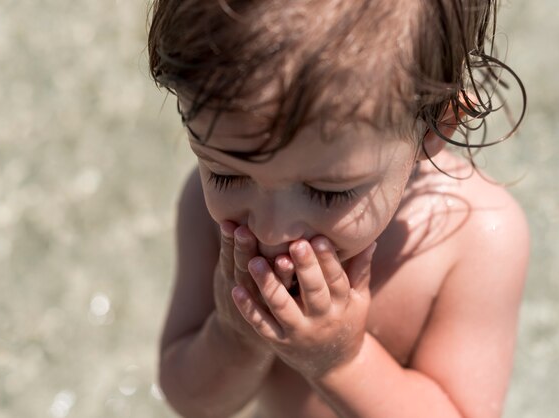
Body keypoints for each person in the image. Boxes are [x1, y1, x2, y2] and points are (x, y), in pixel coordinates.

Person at [147, 0, 529, 416]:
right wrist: (235, 338)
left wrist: (342, 361)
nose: (273, 231)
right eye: (225, 174)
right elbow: (192, 403)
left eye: (328, 193)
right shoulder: (209, 217)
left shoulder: (476, 239)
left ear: (436, 126)